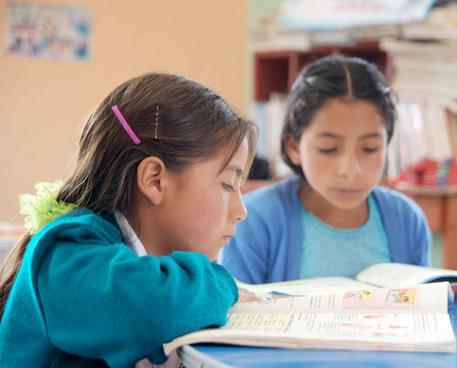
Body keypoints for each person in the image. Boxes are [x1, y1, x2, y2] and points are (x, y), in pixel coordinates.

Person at [0, 72, 256, 367]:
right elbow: (155, 307)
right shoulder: (67, 253)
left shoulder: (128, 260)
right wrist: (225, 285)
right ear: (155, 180)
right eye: (227, 184)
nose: (241, 209)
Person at [221, 55, 431, 284]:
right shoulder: (254, 220)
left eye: (370, 148)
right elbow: (239, 315)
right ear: (294, 147)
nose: (351, 170)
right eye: (329, 149)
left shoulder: (406, 219)